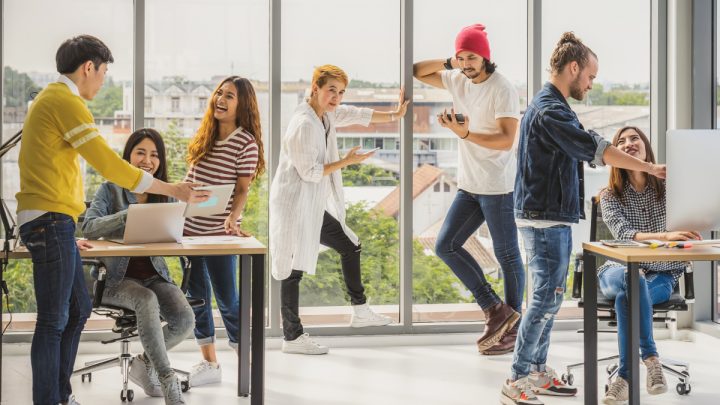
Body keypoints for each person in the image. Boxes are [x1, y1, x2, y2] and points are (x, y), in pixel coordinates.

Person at [15, 35, 207, 405]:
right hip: (49, 220)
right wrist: (172, 189)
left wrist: (67, 232)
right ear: (89, 67)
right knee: (54, 320)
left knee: (77, 310)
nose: (103, 81)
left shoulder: (52, 101)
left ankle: (60, 395)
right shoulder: (64, 101)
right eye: (103, 72)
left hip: (57, 222)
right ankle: (49, 400)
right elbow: (107, 162)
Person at [501, 32, 666, 405]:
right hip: (543, 218)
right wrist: (649, 167)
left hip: (546, 215)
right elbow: (597, 149)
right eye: (590, 76)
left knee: (550, 298)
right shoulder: (550, 110)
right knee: (545, 299)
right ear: (573, 68)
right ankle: (517, 377)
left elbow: (588, 142)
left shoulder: (553, 107)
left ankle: (538, 372)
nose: (591, 84)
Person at [269, 64, 409, 355]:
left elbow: (355, 113)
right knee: (292, 269)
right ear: (315, 88)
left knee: (349, 245)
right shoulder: (304, 124)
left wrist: (395, 115)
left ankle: (360, 311)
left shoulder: (325, 114)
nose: (336, 97)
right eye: (331, 90)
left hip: (310, 203)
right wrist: (347, 161)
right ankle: (292, 337)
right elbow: (310, 172)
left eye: (341, 91)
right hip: (294, 204)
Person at [413, 23, 524, 355]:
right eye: (462, 57)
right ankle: (495, 309)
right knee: (445, 245)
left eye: (472, 57)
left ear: (486, 57)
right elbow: (416, 71)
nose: (467, 64)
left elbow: (506, 140)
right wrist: (451, 60)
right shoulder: (458, 77)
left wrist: (464, 135)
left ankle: (513, 329)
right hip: (470, 185)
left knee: (506, 255)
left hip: (498, 186)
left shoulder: (503, 88)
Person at [81, 129, 195, 404]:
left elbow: (176, 232)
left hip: (154, 275)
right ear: (128, 156)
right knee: (146, 300)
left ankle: (144, 363)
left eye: (154, 155)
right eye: (141, 152)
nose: (148, 160)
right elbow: (88, 227)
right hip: (115, 280)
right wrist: (128, 215)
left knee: (184, 319)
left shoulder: (163, 194)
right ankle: (167, 380)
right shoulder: (110, 189)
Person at [597, 126, 698, 404]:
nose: (628, 143)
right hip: (616, 269)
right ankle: (651, 359)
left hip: (662, 274)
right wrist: (665, 236)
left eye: (634, 138)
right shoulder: (609, 195)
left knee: (626, 298)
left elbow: (693, 212)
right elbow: (623, 234)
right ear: (615, 154)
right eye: (621, 141)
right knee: (632, 279)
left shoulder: (670, 189)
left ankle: (625, 378)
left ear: (646, 147)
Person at [182, 76, 265, 386]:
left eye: (229, 95)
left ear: (242, 104)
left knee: (228, 299)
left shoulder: (246, 142)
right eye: (219, 93)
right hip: (188, 232)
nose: (221, 99)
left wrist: (233, 217)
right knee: (197, 299)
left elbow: (243, 189)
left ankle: (247, 362)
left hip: (218, 234)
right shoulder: (206, 134)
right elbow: (190, 180)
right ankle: (210, 364)